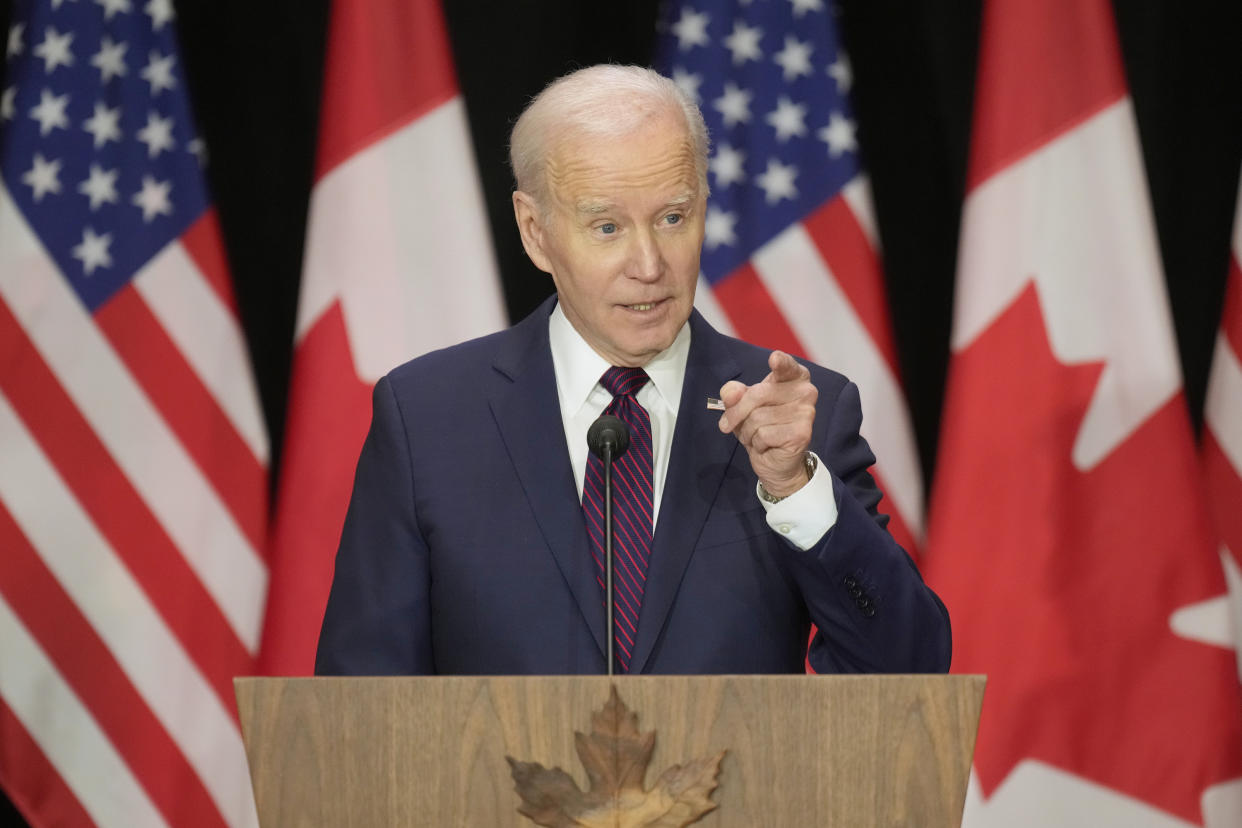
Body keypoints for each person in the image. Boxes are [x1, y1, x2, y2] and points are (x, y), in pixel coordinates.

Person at [315, 65, 950, 676]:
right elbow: (362, 706)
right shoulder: (427, 418)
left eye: (673, 218)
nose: (648, 264)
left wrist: (795, 489)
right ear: (535, 232)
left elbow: (908, 664)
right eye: (608, 227)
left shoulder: (794, 416)